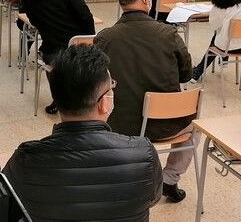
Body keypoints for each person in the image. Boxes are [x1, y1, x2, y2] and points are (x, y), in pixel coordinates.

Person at [2, 44, 162, 221]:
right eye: (112, 87)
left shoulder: (25, 160)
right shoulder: (144, 153)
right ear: (104, 103)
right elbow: (152, 198)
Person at [94, 0, 193, 203]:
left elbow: (96, 81)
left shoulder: (105, 38)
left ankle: (119, 176)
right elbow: (186, 75)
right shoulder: (168, 34)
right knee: (192, 123)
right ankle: (169, 179)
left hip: (119, 125)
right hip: (167, 123)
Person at [21, 0, 95, 114]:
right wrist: (89, 40)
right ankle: (78, 98)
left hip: (50, 50)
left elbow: (32, 18)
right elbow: (85, 17)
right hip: (75, 49)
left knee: (50, 57)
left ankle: (59, 97)